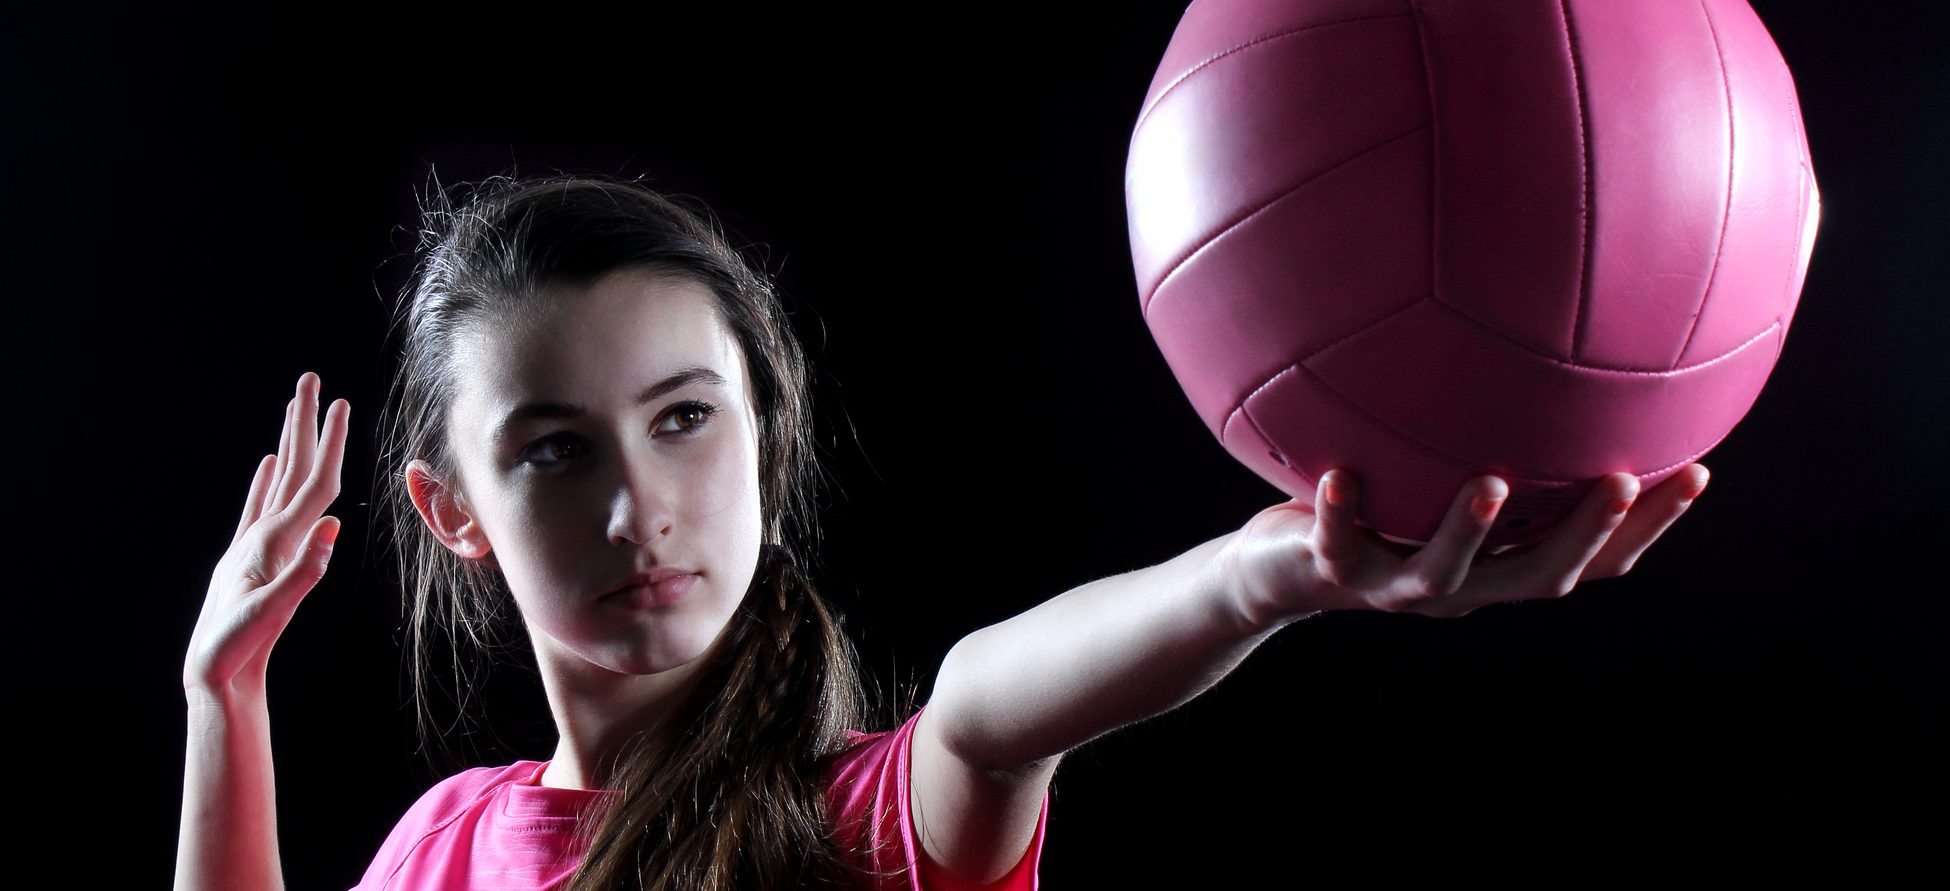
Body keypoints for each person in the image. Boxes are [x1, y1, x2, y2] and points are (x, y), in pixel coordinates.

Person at [174, 174, 1711, 891]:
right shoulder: (440, 847)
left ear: (765, 439)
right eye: (555, 451)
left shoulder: (859, 833)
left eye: (684, 417)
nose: (638, 506)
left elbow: (984, 708)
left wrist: (1269, 576)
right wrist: (223, 702)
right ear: (454, 513)